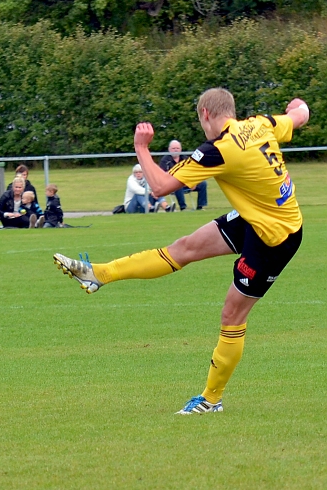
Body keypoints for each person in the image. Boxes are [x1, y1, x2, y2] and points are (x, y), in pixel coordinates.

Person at [54, 89, 310, 414]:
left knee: (232, 314)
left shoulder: (219, 150)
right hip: (256, 218)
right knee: (184, 248)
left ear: (205, 113)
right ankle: (99, 274)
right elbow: (299, 114)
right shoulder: (260, 123)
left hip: (275, 238)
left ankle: (211, 399)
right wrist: (298, 106)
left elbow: (160, 187)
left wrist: (141, 148)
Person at [159, 139, 208, 210]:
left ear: (180, 149)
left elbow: (192, 172)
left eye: (177, 148)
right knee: (177, 185)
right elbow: (163, 175)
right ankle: (183, 207)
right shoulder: (165, 160)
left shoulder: (185, 159)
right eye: (173, 148)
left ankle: (200, 207)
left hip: (187, 182)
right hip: (172, 185)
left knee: (203, 184)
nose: (175, 150)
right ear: (169, 149)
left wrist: (193, 182)